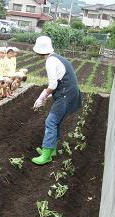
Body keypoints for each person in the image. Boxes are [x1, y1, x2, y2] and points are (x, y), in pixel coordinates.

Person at [31, 36, 82, 165]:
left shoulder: (50, 61)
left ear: (38, 50)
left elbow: (53, 85)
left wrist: (41, 97)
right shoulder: (57, 58)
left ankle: (46, 155)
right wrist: (48, 96)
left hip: (65, 95)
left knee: (51, 122)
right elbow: (60, 81)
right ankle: (51, 150)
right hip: (70, 93)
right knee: (56, 121)